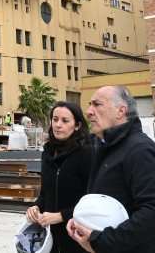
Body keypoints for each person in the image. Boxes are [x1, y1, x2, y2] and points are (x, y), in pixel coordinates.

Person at [67, 86, 155, 253]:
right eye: (90, 104)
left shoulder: (140, 151)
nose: (89, 111)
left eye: (97, 104)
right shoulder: (103, 146)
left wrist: (101, 242)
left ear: (121, 111)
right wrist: (83, 219)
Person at [26, 101, 92, 253]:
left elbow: (91, 198)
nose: (58, 125)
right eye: (55, 119)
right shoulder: (47, 153)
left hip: (77, 235)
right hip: (49, 235)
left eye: (65, 121)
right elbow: (45, 194)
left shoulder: (86, 153)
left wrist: (61, 216)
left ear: (77, 126)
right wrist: (36, 207)